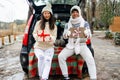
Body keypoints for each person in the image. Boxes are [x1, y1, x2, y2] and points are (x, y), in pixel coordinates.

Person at [58, 5, 97, 80]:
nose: (75, 13)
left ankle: (93, 77)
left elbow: (89, 35)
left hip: (82, 45)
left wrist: (87, 33)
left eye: (76, 12)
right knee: (61, 56)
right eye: (73, 12)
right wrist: (67, 34)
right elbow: (64, 36)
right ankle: (65, 76)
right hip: (71, 45)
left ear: (79, 13)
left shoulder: (85, 23)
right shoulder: (67, 24)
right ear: (71, 14)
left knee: (90, 59)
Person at [32, 3, 57, 80]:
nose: (46, 15)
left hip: (49, 47)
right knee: (41, 58)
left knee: (48, 60)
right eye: (45, 13)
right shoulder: (38, 23)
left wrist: (50, 38)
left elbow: (54, 37)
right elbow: (34, 33)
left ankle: (44, 78)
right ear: (43, 14)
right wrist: (38, 38)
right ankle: (40, 75)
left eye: (48, 13)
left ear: (50, 14)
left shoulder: (54, 25)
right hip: (39, 47)